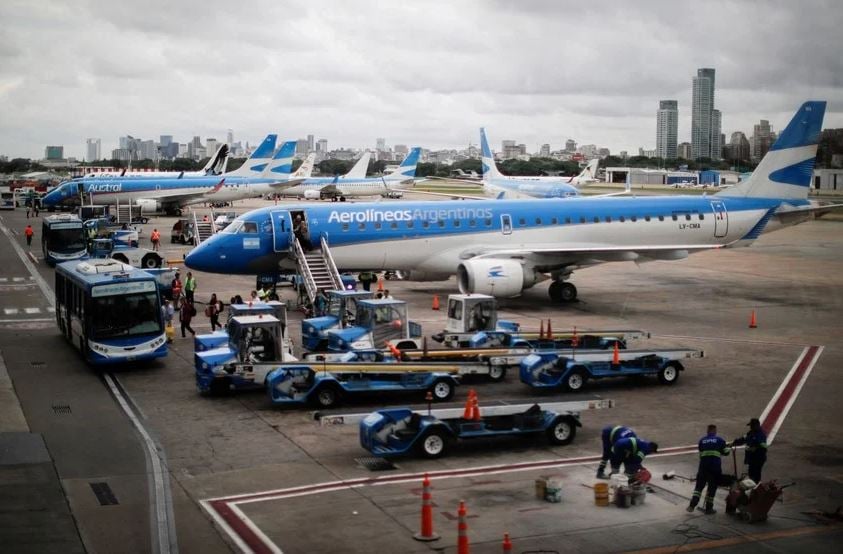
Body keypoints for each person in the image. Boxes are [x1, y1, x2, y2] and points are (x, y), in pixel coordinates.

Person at [687, 424, 731, 514]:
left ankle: (692, 505)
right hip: (715, 467)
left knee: (699, 487)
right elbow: (726, 452)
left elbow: (701, 453)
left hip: (703, 467)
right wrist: (729, 448)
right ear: (715, 431)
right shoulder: (720, 440)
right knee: (712, 487)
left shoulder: (702, 441)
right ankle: (709, 508)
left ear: (707, 431)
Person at [733, 418, 767, 483]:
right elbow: (744, 439)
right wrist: (734, 442)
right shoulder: (751, 432)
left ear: (757, 425)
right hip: (751, 458)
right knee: (751, 474)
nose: (751, 427)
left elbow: (763, 446)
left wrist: (755, 448)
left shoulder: (761, 434)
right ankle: (752, 487)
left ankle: (755, 488)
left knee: (756, 475)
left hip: (758, 458)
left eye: (752, 426)